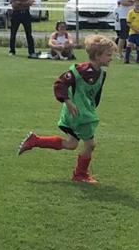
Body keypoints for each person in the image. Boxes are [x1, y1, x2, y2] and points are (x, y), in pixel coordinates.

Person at [18, 35, 116, 183]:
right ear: (97, 55)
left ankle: (35, 140)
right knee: (90, 144)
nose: (111, 58)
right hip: (77, 115)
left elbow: (94, 96)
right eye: (108, 55)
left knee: (71, 144)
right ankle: (80, 174)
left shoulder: (101, 74)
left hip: (83, 113)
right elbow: (60, 83)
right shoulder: (79, 70)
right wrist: (68, 101)